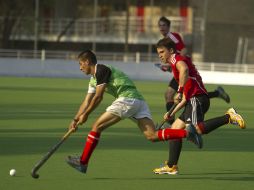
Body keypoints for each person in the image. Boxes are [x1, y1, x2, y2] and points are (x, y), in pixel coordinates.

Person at [65, 50, 202, 174]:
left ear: (87, 62)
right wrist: (76, 119)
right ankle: (188, 133)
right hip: (138, 101)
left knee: (97, 126)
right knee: (152, 135)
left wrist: (86, 115)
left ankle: (83, 162)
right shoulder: (93, 80)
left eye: (81, 64)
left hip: (127, 99)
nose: (80, 67)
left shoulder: (101, 69)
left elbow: (98, 97)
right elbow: (86, 101)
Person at [153, 38, 246, 175]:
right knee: (175, 129)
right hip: (193, 100)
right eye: (158, 53)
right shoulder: (175, 64)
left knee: (196, 130)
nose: (160, 55)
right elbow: (184, 98)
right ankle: (171, 166)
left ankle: (229, 117)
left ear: (171, 51)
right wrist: (172, 112)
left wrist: (178, 90)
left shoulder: (175, 59)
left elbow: (184, 69)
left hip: (197, 100)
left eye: (162, 52)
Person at [157, 16, 230, 125]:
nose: (161, 28)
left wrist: (176, 63)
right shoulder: (163, 43)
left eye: (164, 25)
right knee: (185, 95)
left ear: (168, 27)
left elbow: (183, 50)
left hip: (183, 68)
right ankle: (216, 93)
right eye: (160, 25)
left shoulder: (172, 36)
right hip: (179, 67)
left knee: (172, 94)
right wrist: (170, 66)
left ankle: (170, 122)